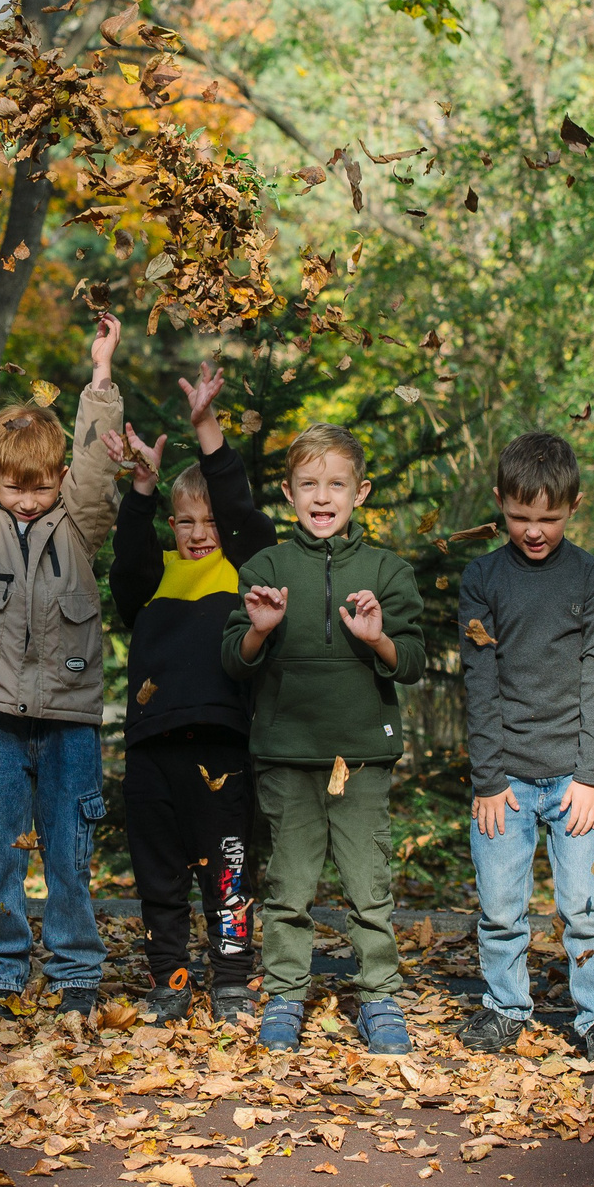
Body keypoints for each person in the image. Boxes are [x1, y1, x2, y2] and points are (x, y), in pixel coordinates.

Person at [0, 308, 124, 1022]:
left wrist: (100, 377)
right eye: (13, 485)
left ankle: (77, 968)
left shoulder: (77, 523)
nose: (25, 498)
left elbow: (100, 466)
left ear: (59, 479)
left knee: (70, 853)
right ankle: (0, 972)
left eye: (40, 485)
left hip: (69, 716)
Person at [221, 422, 427, 1055]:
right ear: (288, 493)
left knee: (370, 884)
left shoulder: (387, 571)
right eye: (308, 484)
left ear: (360, 492)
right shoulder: (267, 567)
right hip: (288, 754)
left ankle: (380, 996)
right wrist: (260, 629)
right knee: (289, 885)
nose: (322, 496)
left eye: (336, 484)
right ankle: (284, 996)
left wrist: (377, 640)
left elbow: (413, 659)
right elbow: (234, 659)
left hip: (362, 755)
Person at [451, 431, 594, 1069]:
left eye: (549, 519)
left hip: (572, 780)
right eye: (521, 517)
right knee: (501, 905)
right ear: (500, 503)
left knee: (583, 906)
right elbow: (481, 682)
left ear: (573, 507)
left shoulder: (590, 577)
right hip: (505, 781)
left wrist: (589, 777)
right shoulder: (483, 577)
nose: (534, 530)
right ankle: (505, 1007)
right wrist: (488, 779)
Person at [105, 360, 273, 1024]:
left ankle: (232, 977)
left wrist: (208, 430)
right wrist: (142, 490)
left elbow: (244, 516)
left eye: (206, 521)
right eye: (184, 521)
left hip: (220, 747)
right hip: (151, 750)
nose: (197, 532)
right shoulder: (157, 575)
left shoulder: (244, 566)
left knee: (227, 869)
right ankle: (169, 977)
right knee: (159, 875)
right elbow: (125, 567)